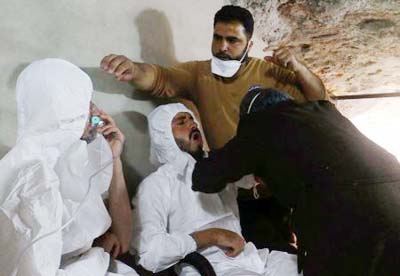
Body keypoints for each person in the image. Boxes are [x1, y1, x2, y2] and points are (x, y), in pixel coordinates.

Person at [191, 87, 400, 275]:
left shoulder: (260, 124)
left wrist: (204, 157)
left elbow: (206, 177)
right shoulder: (325, 112)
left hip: (349, 222)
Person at [100, 5, 327, 150]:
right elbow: (160, 78)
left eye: (232, 40)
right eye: (217, 38)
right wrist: (133, 69)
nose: (222, 47)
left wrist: (298, 67)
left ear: (249, 45)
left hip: (272, 183)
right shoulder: (198, 73)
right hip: (229, 186)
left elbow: (318, 99)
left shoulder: (269, 71)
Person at [0, 59, 137, 276]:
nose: (96, 112)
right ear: (64, 112)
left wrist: (115, 159)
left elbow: (124, 240)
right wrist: (95, 254)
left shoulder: (68, 163)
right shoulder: (34, 178)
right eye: (86, 105)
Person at [131, 103, 299, 276]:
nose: (192, 124)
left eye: (192, 119)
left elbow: (252, 172)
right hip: (211, 269)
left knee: (312, 265)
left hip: (252, 258)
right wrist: (212, 236)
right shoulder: (155, 185)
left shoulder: (215, 167)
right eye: (181, 122)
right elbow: (150, 254)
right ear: (163, 136)